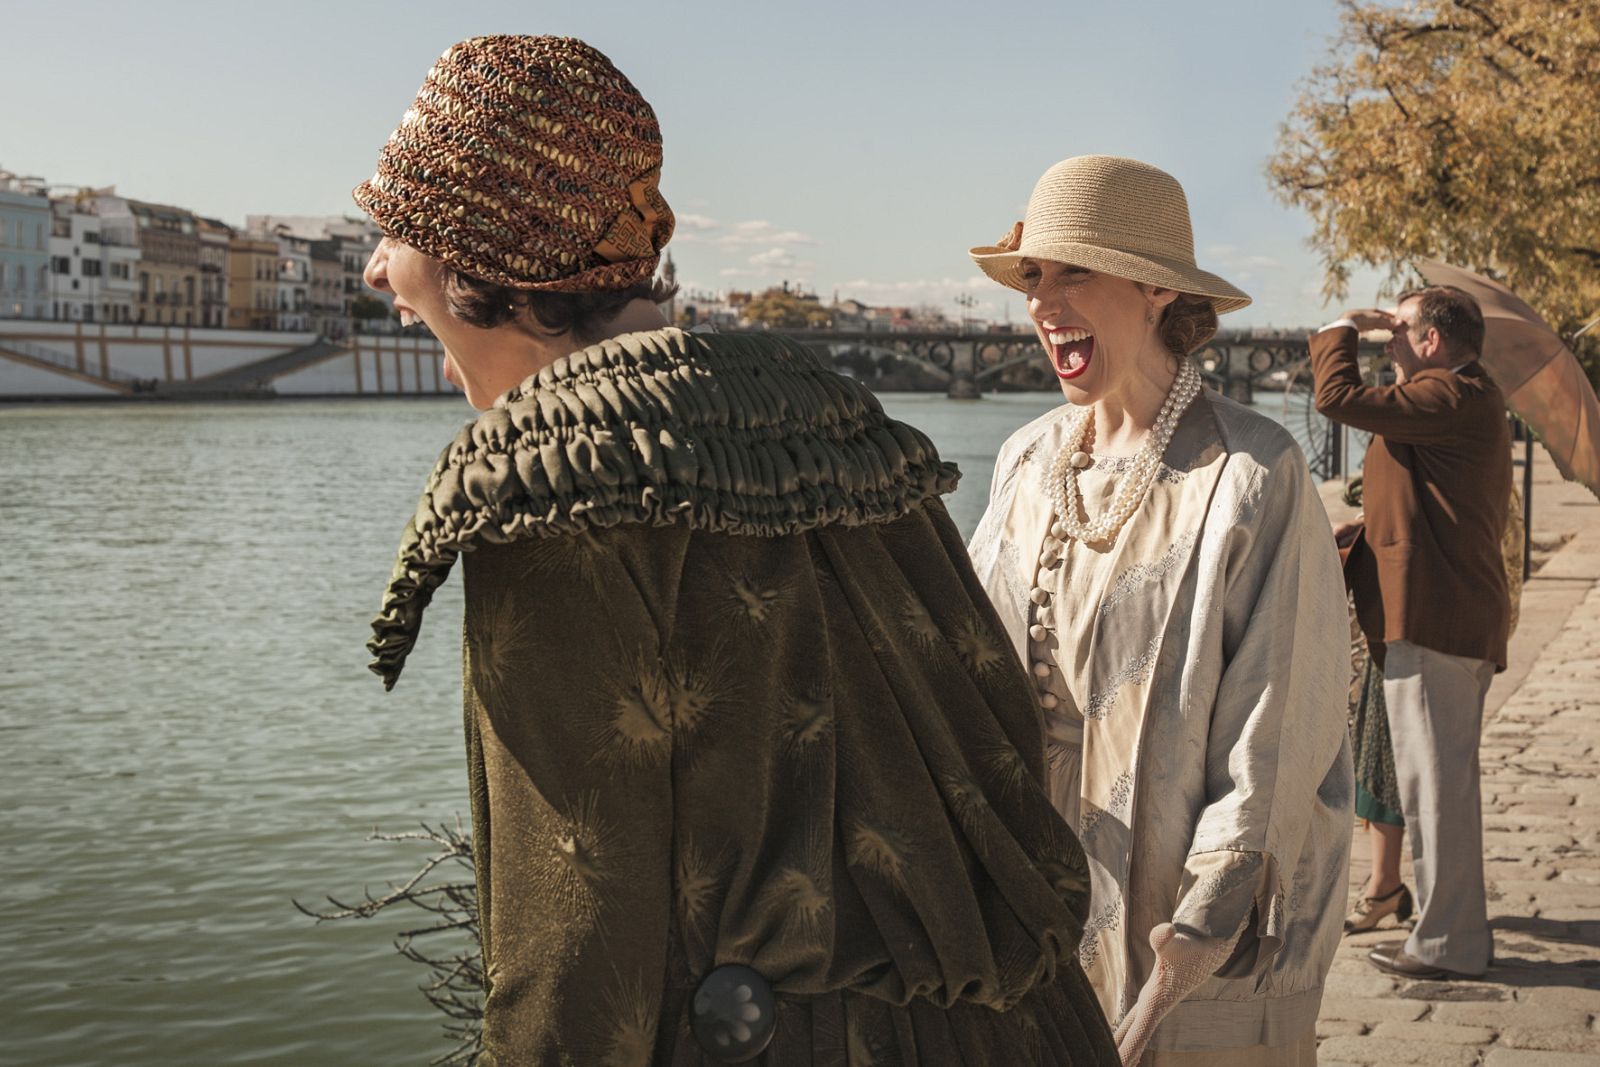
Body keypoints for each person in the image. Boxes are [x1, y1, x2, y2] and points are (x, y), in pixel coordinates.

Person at [357, 35, 1118, 1065]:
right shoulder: (831, 415)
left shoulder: (549, 486)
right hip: (1031, 1027)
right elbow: (998, 730)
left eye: (393, 230)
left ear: (471, 250)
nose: (376, 271)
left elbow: (574, 949)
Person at [965, 156, 1352, 1065]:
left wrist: (1203, 923)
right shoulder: (1027, 460)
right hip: (1031, 887)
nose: (1042, 301)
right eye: (1033, 278)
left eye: (1072, 272)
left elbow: (1279, 720)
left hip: (1171, 905)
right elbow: (966, 658)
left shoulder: (1251, 472)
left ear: (1151, 289)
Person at [1312, 289, 1512, 980]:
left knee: (1436, 790)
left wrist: (1343, 328)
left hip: (1437, 618)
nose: (1385, 340)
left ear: (1431, 340)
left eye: (1396, 329)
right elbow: (1433, 503)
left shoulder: (1447, 397)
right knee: (1438, 785)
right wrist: (1365, 534)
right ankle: (1447, 932)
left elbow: (1335, 396)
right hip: (1444, 614)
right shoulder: (1460, 397)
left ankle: (1449, 945)